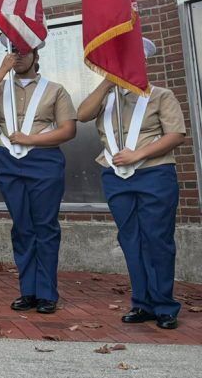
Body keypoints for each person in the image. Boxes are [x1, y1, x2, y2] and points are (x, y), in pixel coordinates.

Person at [76, 37, 186, 330]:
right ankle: (142, 303)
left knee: (157, 239)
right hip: (116, 176)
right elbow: (82, 114)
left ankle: (164, 305)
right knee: (130, 239)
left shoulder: (161, 95)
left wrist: (138, 154)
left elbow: (175, 134)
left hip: (154, 172)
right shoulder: (107, 97)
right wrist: (107, 83)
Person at [0, 35, 76, 315]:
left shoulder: (55, 90)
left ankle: (47, 293)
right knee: (22, 226)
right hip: (8, 160)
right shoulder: (1, 85)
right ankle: (27, 291)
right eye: (13, 51)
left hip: (43, 159)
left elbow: (68, 130)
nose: (18, 56)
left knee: (45, 226)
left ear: (36, 56)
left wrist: (32, 140)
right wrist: (2, 69)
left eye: (23, 52)